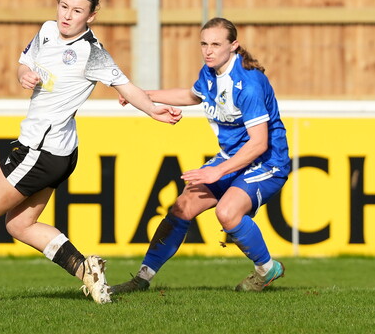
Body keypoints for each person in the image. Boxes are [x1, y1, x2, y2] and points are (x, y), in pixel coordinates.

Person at [0, 0, 182, 304]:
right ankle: (86, 270)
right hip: (58, 151)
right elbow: (27, 62)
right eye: (64, 6)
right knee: (21, 224)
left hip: (40, 150)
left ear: (91, 16)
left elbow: (126, 86)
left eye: (77, 11)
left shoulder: (91, 52)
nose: (67, 15)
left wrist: (153, 111)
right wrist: (23, 74)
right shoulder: (48, 30)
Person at [110, 16, 290, 293]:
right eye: (204, 44)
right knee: (183, 207)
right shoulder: (210, 72)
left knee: (227, 213)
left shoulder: (249, 84)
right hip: (233, 157)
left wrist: (218, 171)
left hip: (267, 162)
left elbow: (259, 144)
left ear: (234, 46)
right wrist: (143, 94)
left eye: (216, 44)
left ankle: (267, 269)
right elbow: (193, 96)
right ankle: (142, 278)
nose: (208, 50)